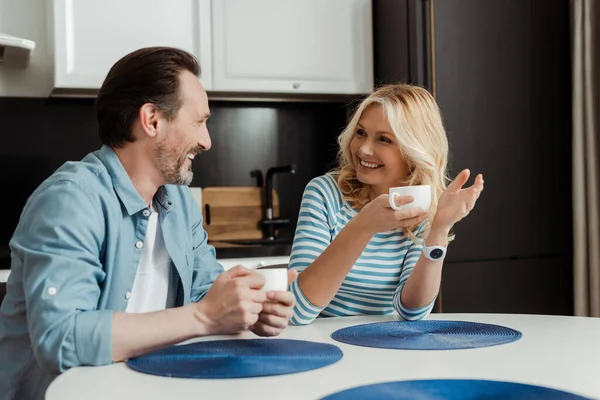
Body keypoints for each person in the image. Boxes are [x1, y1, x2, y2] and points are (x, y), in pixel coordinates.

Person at [0, 47, 297, 400]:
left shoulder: (180, 203)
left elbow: (205, 295)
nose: (207, 141)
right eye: (199, 121)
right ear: (152, 119)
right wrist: (206, 316)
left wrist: (248, 310)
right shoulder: (71, 199)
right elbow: (62, 339)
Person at [288, 83, 484, 325]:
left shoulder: (422, 207)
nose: (364, 149)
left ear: (413, 152)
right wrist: (364, 226)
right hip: (320, 344)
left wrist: (439, 230)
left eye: (384, 139)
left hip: (383, 347)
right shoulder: (324, 193)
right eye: (360, 133)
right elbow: (296, 311)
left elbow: (412, 312)